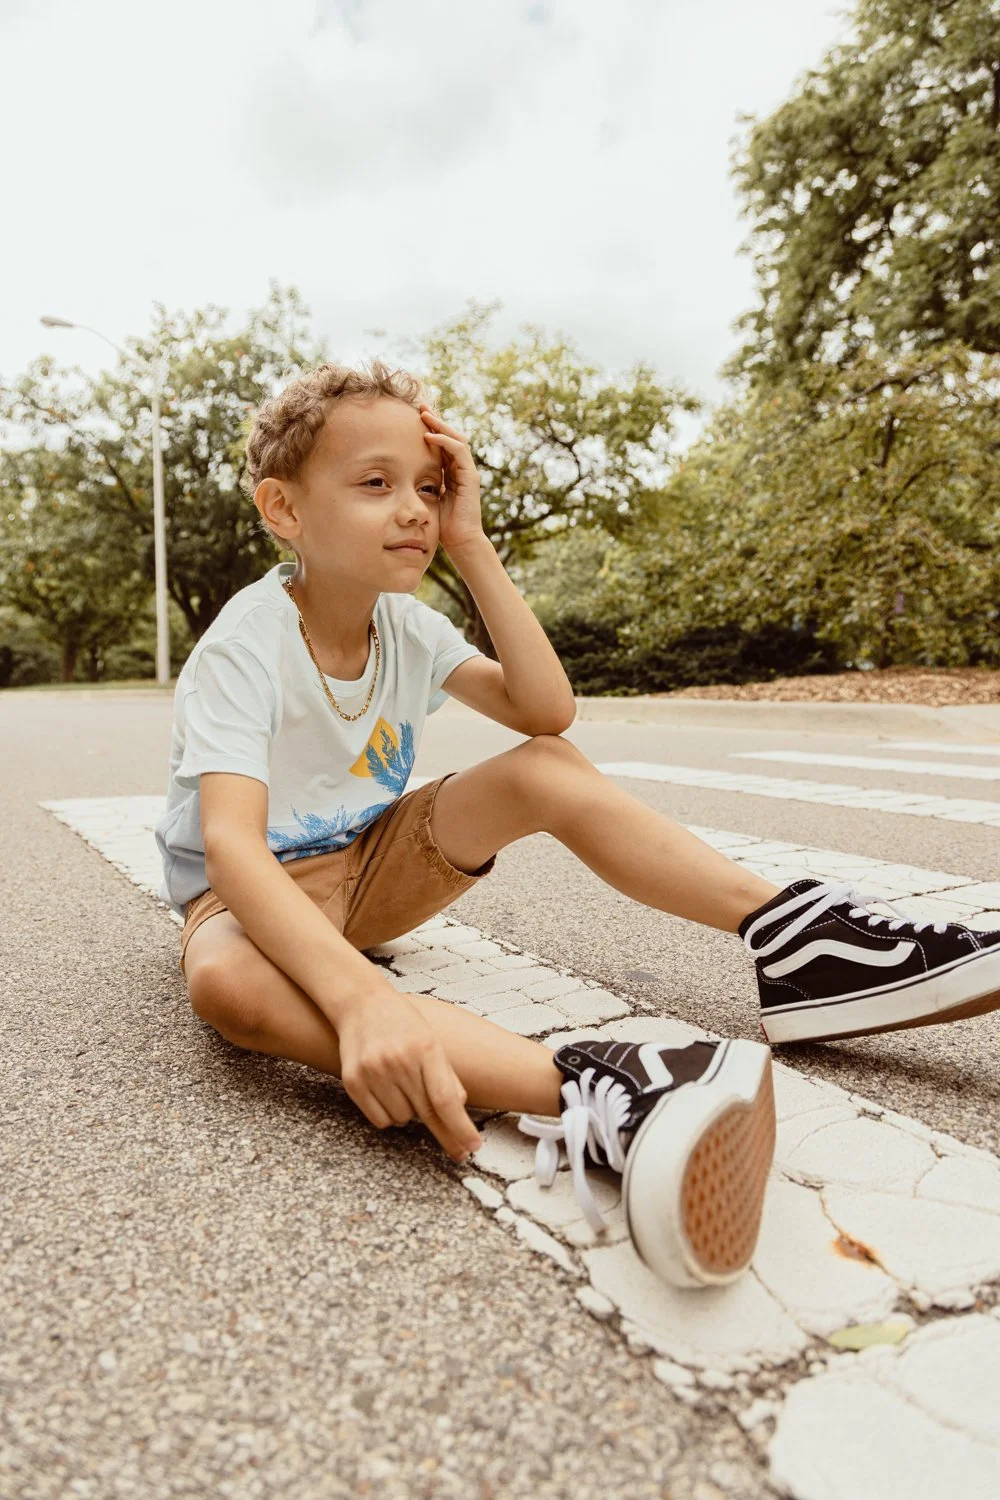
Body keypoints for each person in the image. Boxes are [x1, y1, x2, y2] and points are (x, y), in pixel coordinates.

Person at [154, 361, 1000, 1291]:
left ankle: (802, 940)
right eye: (375, 484)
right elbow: (232, 847)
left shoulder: (411, 624)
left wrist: (471, 546)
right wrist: (361, 1001)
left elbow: (545, 710)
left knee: (546, 767)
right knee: (228, 987)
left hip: (370, 868)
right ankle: (612, 1087)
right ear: (283, 509)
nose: (413, 510)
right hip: (255, 899)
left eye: (429, 487)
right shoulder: (245, 642)